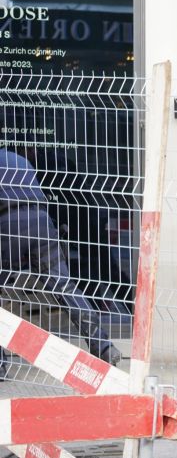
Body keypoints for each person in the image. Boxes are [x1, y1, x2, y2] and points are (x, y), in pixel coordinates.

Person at [0, 148, 122, 372]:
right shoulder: (19, 160)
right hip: (41, 223)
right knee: (65, 287)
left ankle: (0, 363)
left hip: (7, 228)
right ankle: (103, 346)